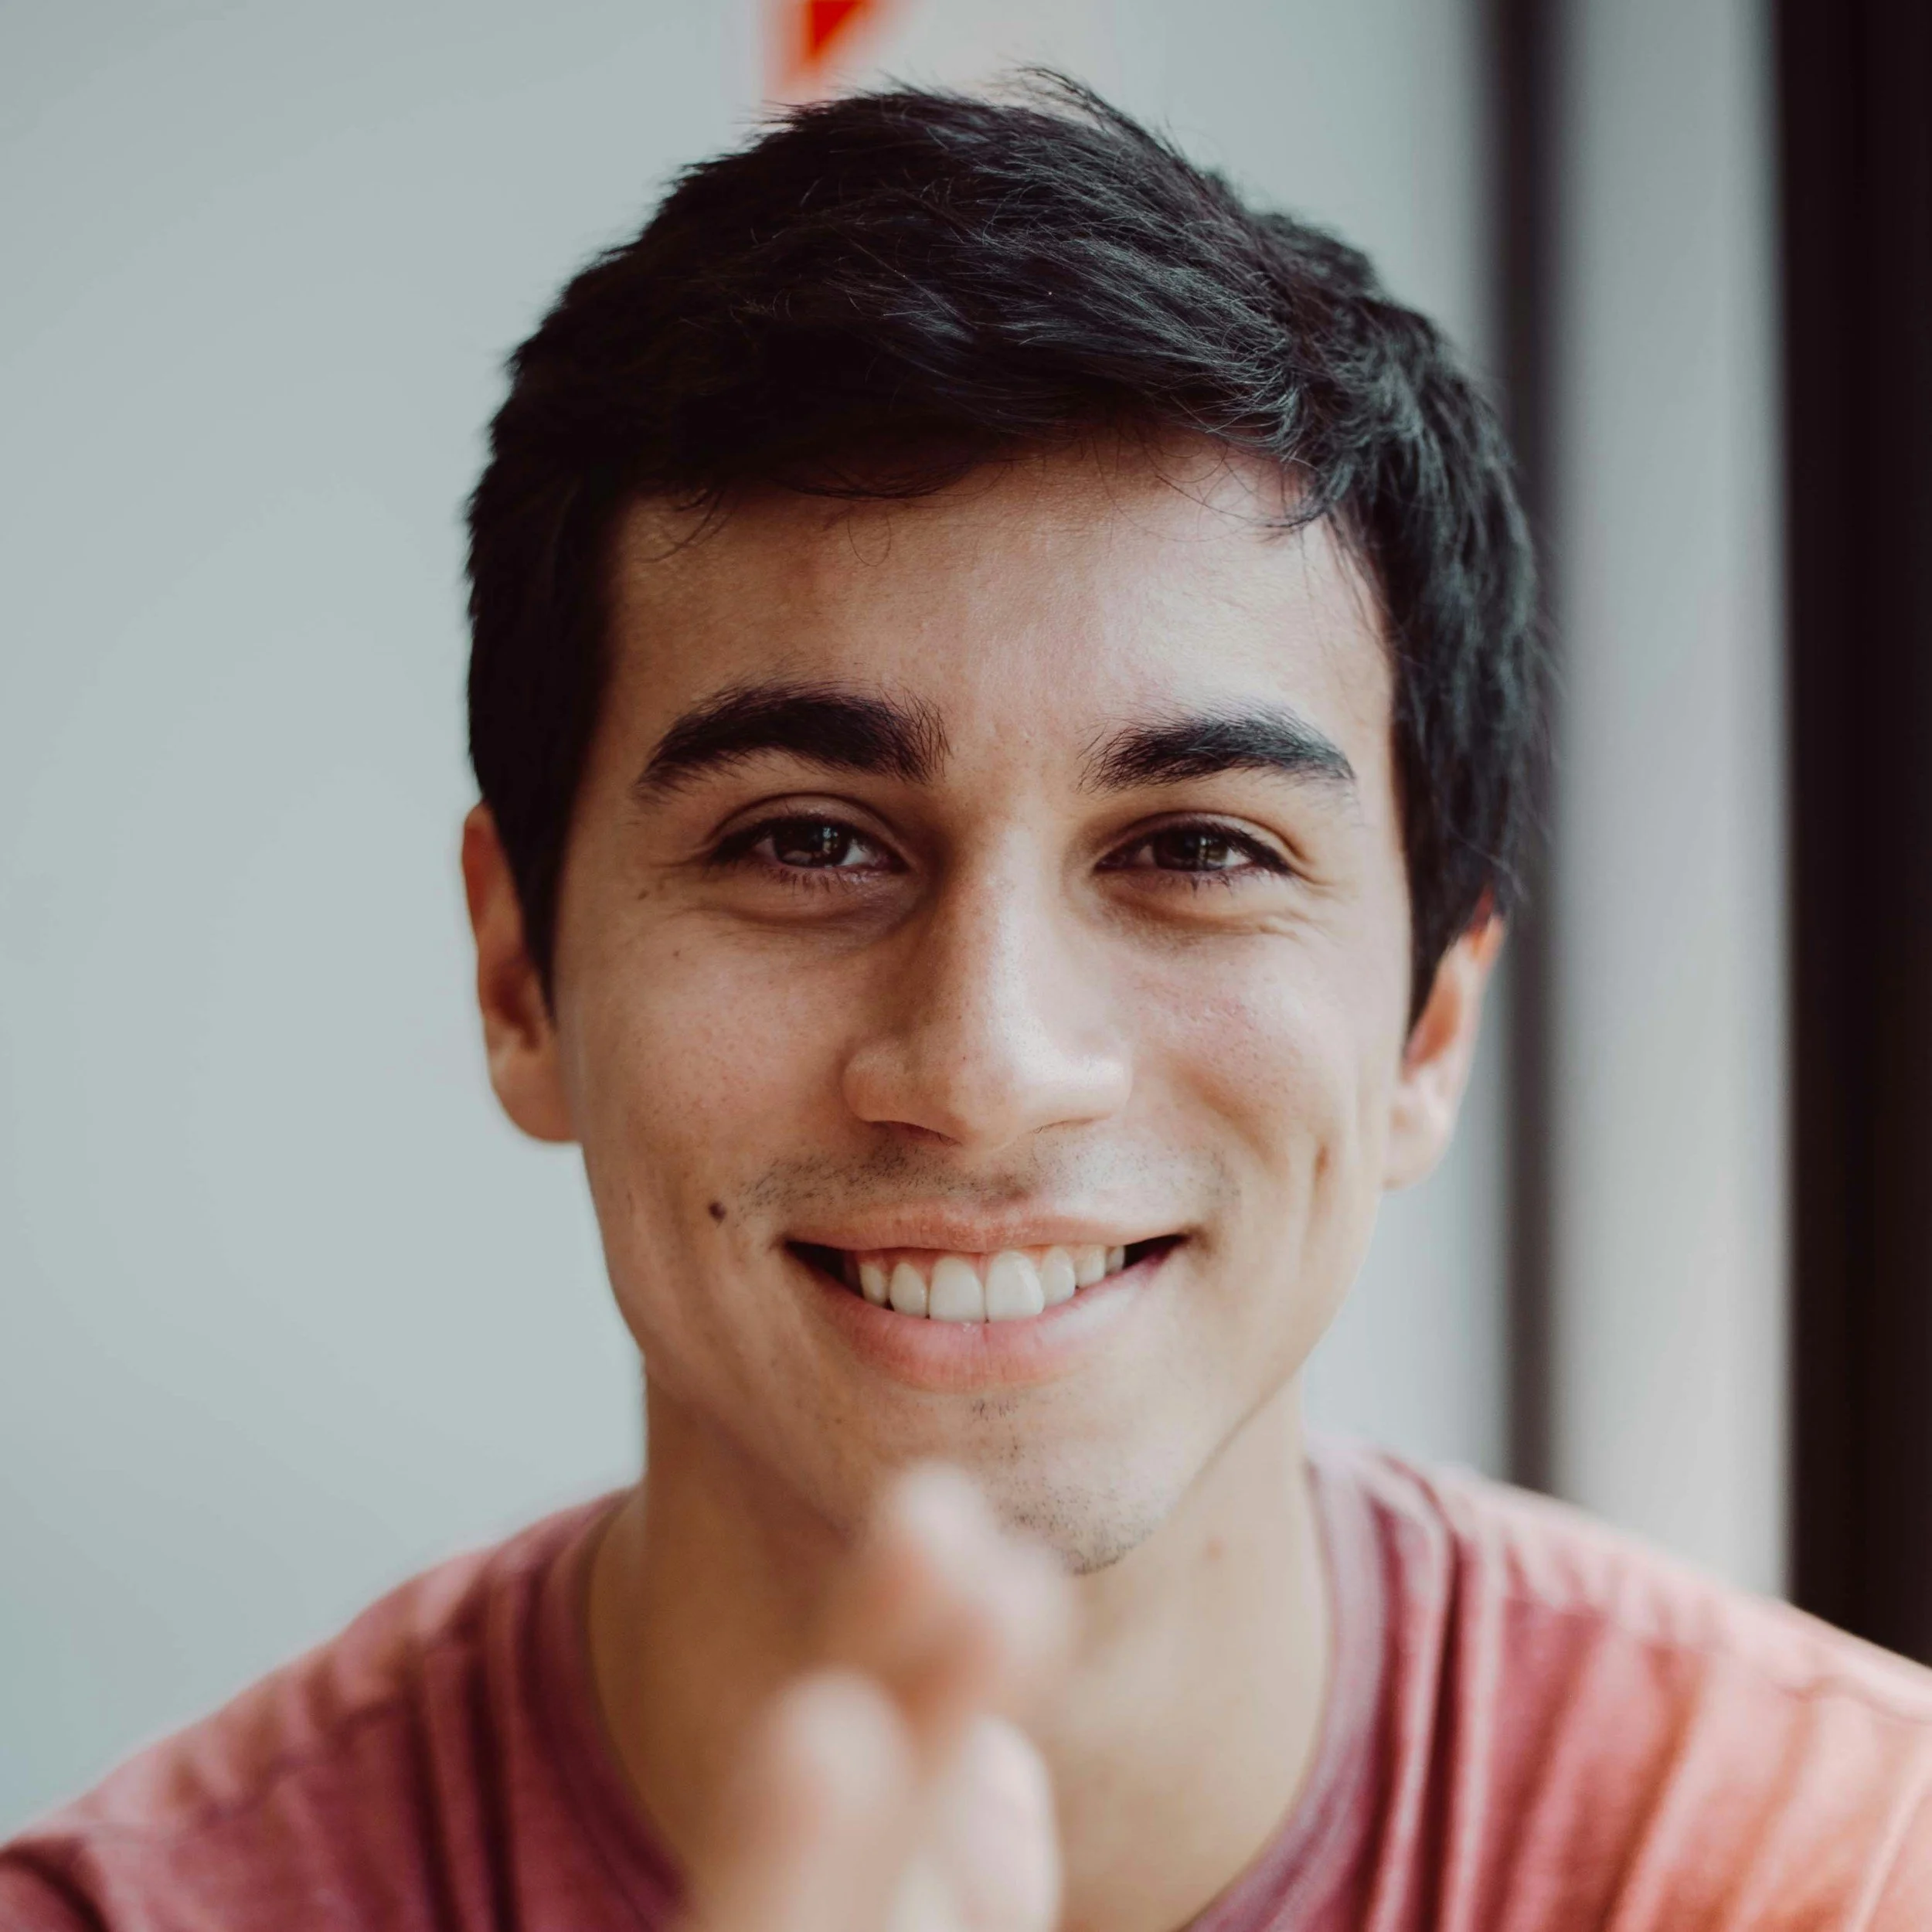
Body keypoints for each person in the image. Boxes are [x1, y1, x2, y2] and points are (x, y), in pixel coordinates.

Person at [5, 77, 1930, 1932]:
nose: (989, 1068)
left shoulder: (1835, 1864)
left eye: (1196, 848)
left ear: (1428, 1024)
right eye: (807, 841)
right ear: (522, 976)